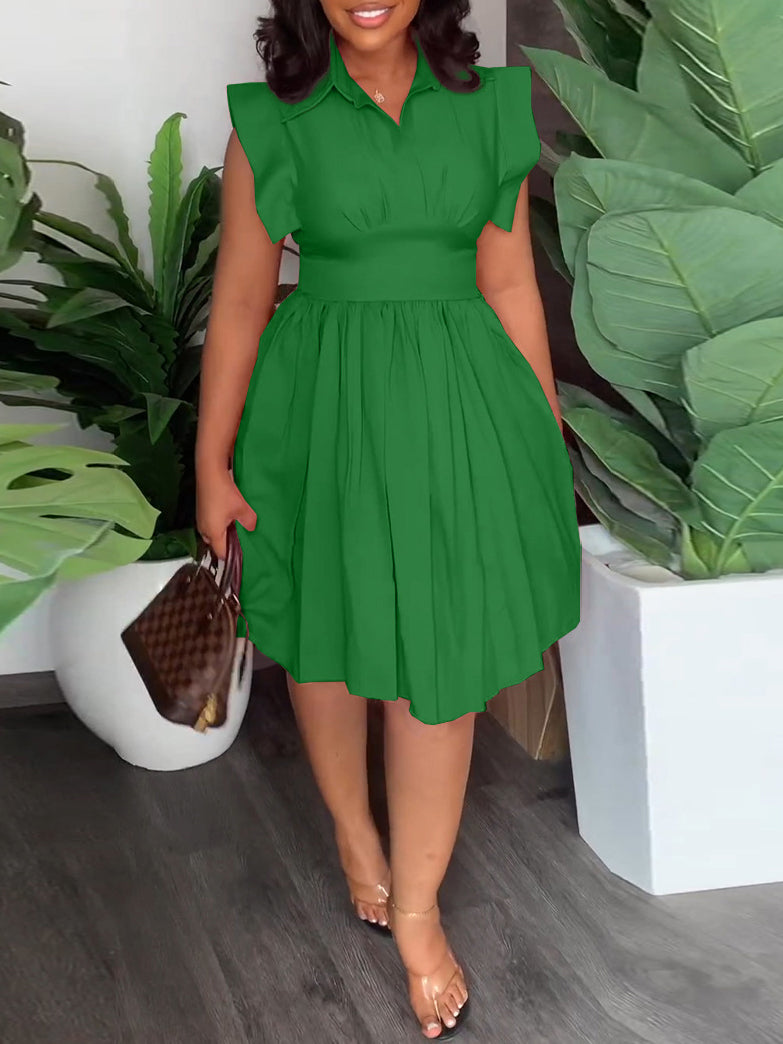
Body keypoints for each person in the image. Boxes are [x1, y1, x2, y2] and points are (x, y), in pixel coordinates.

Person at [195, 0, 581, 1037]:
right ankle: (353, 831)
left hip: (460, 407)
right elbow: (242, 302)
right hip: (317, 410)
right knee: (327, 636)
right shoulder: (270, 121)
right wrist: (211, 464)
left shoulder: (490, 106)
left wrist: (539, 436)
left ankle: (416, 911)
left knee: (437, 660)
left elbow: (509, 281)